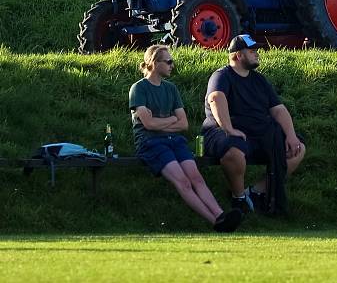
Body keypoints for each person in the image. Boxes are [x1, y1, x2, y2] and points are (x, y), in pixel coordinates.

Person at [129, 45, 242, 232]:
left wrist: (163, 121)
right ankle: (215, 222)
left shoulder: (171, 89)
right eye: (168, 62)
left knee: (196, 177)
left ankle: (221, 214)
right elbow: (149, 126)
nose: (172, 65)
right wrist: (171, 119)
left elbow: (183, 124)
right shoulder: (138, 89)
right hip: (151, 143)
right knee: (182, 181)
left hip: (175, 140)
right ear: (154, 63)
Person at [202, 34, 306, 216]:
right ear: (238, 55)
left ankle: (255, 192)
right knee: (234, 151)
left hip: (258, 134)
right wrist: (228, 128)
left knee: (298, 149)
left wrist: (290, 135)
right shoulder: (221, 76)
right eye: (252, 51)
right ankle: (239, 198)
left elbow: (278, 110)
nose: (257, 54)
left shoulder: (260, 80)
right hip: (221, 133)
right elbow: (216, 98)